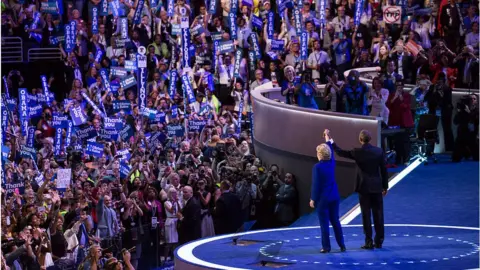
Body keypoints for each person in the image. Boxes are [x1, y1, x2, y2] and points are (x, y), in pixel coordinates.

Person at [327, 129, 388, 249]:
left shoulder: (357, 152)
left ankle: (369, 242)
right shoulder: (379, 151)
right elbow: (384, 170)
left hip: (363, 187)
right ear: (370, 139)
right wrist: (385, 186)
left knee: (366, 215)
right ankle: (379, 241)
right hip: (376, 187)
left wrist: (330, 139)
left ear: (360, 140)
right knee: (378, 214)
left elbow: (340, 152)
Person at [309, 135, 346, 253]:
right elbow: (330, 148)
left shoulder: (317, 167)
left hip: (323, 200)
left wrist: (313, 199)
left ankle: (326, 247)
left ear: (319, 155)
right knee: (335, 221)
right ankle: (342, 245)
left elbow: (316, 185)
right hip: (334, 197)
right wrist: (327, 137)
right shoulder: (332, 163)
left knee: (324, 223)